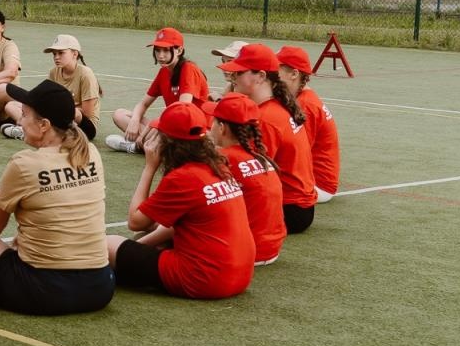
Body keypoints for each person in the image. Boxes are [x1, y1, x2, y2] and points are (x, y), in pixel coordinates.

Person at [0, 80, 114, 315]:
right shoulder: (91, 153)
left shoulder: (25, 163)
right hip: (100, 288)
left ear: (44, 125)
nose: (19, 121)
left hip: (42, 293)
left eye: (25, 115)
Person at [106, 102, 254, 300]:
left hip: (204, 279)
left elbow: (135, 221)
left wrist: (149, 167)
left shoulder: (183, 177)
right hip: (240, 275)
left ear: (167, 143)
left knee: (108, 244)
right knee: (150, 235)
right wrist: (140, 246)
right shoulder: (218, 166)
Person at [218, 43, 317, 234]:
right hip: (297, 205)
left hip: (290, 209)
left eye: (239, 72)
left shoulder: (266, 118)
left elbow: (253, 177)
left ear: (261, 76)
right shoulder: (274, 106)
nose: (232, 76)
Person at [204, 93, 286, 266]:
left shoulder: (222, 158)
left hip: (244, 252)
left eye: (213, 121)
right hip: (271, 249)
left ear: (222, 128)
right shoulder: (260, 157)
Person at [107, 27, 209, 153]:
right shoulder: (164, 72)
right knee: (120, 114)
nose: (161, 55)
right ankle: (148, 145)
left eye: (166, 50)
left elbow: (182, 110)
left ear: (179, 50)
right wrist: (135, 120)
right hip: (172, 124)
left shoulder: (189, 68)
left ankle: (137, 147)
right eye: (157, 50)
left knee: (159, 133)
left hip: (193, 130)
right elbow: (143, 104)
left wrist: (153, 126)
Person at [2, 33, 100, 141]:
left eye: (61, 53)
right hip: (58, 117)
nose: (56, 57)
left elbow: (87, 113)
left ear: (75, 54)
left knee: (74, 113)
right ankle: (30, 129)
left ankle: (33, 131)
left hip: (84, 126)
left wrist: (58, 111)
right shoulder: (54, 72)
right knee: (11, 105)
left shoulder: (86, 74)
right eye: (54, 54)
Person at [277, 45, 340, 203]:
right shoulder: (303, 98)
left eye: (277, 70)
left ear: (294, 74)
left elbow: (298, 155)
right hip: (314, 180)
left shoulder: (305, 104)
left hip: (317, 185)